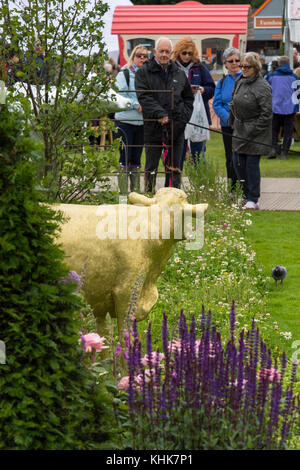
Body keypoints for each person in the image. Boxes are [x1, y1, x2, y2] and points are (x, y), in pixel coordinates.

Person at [135, 37, 194, 193]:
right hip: (153, 127)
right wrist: (159, 113)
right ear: (155, 52)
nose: (164, 54)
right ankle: (148, 197)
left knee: (174, 168)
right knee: (151, 167)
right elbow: (143, 96)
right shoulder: (143, 73)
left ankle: (173, 200)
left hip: (176, 128)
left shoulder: (179, 74)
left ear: (172, 53)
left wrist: (184, 117)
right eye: (161, 51)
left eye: (167, 51)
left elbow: (188, 98)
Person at [229, 52, 272, 210]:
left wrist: (252, 130)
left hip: (255, 132)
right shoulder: (240, 81)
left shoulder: (263, 86)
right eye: (241, 66)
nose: (243, 69)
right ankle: (245, 194)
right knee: (238, 163)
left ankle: (253, 198)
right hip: (239, 129)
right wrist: (232, 120)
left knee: (251, 166)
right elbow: (234, 100)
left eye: (246, 67)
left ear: (255, 67)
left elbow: (267, 114)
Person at [172, 36, 215, 169]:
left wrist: (202, 90)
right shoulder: (172, 67)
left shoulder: (199, 67)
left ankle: (200, 185)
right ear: (178, 52)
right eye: (184, 53)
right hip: (178, 115)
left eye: (190, 53)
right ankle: (175, 185)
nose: (186, 56)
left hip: (198, 116)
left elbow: (211, 88)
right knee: (178, 153)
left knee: (198, 153)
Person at [114, 45, 149, 193]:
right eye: (139, 55)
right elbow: (120, 95)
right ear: (133, 57)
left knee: (136, 158)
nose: (142, 58)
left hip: (141, 123)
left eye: (145, 56)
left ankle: (134, 194)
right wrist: (137, 105)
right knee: (124, 157)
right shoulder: (124, 74)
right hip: (124, 121)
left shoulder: (148, 76)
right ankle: (123, 195)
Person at [213, 47, 241, 191]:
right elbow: (217, 104)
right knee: (230, 157)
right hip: (228, 126)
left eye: (237, 60)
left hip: (245, 126)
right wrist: (230, 119)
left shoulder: (246, 79)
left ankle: (245, 187)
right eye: (231, 61)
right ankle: (232, 188)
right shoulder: (222, 83)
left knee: (244, 158)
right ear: (226, 64)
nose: (235, 63)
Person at [266, 56, 299, 160]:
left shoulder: (271, 76)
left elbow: (266, 91)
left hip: (275, 107)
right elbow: (298, 93)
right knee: (288, 132)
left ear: (279, 64)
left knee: (274, 131)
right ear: (288, 64)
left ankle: (273, 150)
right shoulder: (294, 77)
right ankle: (284, 152)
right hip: (290, 108)